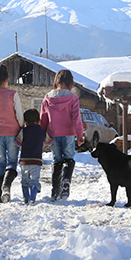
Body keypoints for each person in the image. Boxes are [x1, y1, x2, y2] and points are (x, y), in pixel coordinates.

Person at [40, 69, 84, 201]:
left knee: (57, 160)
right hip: (68, 134)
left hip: (53, 134)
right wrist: (80, 135)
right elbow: (76, 118)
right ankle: (66, 182)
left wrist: (43, 134)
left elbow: (43, 118)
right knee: (69, 159)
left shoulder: (47, 97)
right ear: (70, 82)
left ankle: (55, 191)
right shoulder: (72, 98)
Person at [0, 64, 25, 203]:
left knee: (1, 162)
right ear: (7, 79)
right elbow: (19, 114)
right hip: (13, 133)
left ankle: (0, 194)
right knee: (12, 161)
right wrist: (21, 126)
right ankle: (7, 187)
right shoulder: (13, 94)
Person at [15, 109, 52, 205]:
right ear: (39, 121)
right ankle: (32, 197)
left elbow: (17, 142)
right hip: (36, 161)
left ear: (25, 121)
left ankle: (26, 198)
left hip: (24, 161)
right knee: (34, 180)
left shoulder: (24, 131)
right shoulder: (42, 132)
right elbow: (49, 141)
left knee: (25, 181)